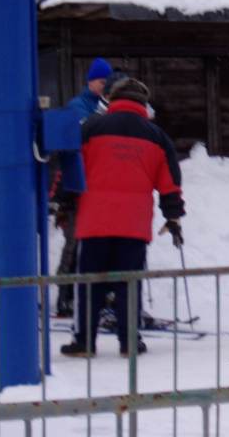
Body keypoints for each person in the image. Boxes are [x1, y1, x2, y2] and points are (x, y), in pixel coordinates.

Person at [61, 78, 185, 357]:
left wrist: (64, 202)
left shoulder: (91, 128)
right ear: (143, 103)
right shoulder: (157, 136)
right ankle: (129, 342)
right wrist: (173, 216)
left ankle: (84, 342)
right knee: (129, 284)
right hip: (133, 225)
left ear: (112, 99)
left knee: (89, 283)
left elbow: (71, 168)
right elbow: (170, 182)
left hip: (95, 221)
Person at [54, 67, 126, 317]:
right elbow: (74, 148)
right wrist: (64, 195)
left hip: (97, 190)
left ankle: (103, 295)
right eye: (101, 82)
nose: (105, 87)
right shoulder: (81, 108)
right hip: (77, 187)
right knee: (74, 244)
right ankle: (65, 295)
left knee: (99, 247)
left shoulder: (105, 111)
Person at [67, 57, 113, 122]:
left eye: (108, 83)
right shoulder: (76, 105)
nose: (106, 86)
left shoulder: (110, 102)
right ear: (90, 81)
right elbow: (86, 126)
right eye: (102, 82)